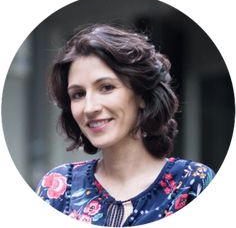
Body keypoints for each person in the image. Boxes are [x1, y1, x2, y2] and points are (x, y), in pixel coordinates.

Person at [36, 24, 215, 226]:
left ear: (142, 95)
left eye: (106, 87)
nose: (89, 107)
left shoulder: (192, 184)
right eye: (78, 94)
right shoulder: (59, 186)